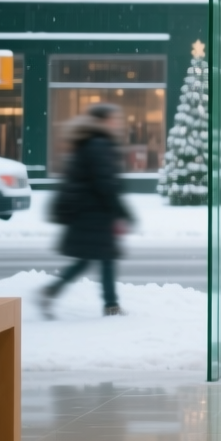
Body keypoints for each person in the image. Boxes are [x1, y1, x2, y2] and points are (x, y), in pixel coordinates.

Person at [39, 103, 135, 318]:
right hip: (95, 212)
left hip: (90, 211)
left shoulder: (91, 142)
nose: (117, 124)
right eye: (114, 119)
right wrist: (123, 211)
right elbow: (106, 183)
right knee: (102, 259)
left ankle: (53, 291)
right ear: (101, 121)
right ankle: (110, 306)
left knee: (91, 259)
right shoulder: (99, 144)